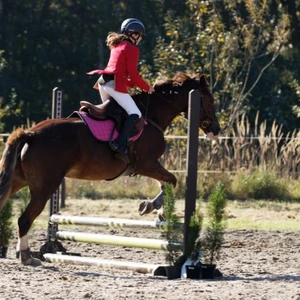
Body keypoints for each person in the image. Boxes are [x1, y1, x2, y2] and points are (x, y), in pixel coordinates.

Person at [87, 18, 154, 163]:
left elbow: (121, 72)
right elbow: (133, 74)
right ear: (133, 34)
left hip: (103, 83)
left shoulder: (117, 45)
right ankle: (119, 144)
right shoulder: (132, 48)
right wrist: (147, 87)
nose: (141, 38)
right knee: (135, 113)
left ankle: (105, 142)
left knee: (115, 112)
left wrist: (134, 85)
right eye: (140, 35)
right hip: (113, 85)